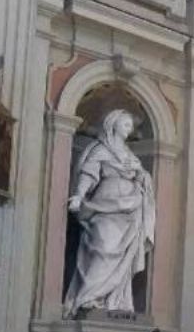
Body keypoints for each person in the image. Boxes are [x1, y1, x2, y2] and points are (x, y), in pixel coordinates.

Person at [64, 109, 156, 317]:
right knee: (103, 246)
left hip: (130, 211)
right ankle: (87, 298)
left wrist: (142, 176)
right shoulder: (100, 149)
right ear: (113, 124)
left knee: (123, 258)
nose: (129, 129)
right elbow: (89, 173)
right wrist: (79, 196)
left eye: (130, 126)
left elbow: (141, 176)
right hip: (105, 207)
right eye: (125, 124)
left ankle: (115, 300)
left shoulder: (130, 154)